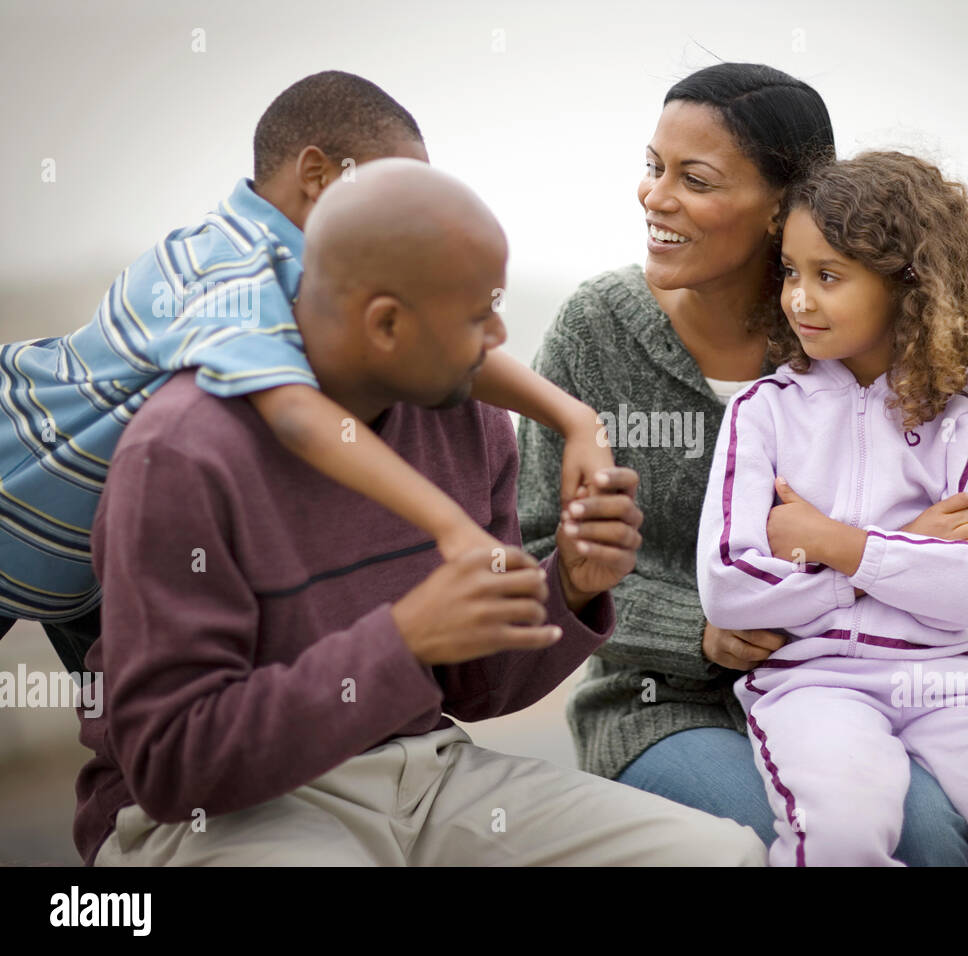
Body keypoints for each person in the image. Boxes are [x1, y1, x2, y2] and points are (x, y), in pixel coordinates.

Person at [76, 158, 766, 867]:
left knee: (723, 855)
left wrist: (569, 585)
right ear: (385, 325)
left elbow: (478, 689)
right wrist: (401, 641)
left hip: (427, 780)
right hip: (221, 818)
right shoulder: (185, 453)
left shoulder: (464, 419)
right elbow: (170, 767)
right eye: (477, 314)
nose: (499, 338)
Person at [518, 62, 968, 864]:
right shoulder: (594, 335)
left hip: (859, 680)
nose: (655, 196)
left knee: (939, 836)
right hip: (664, 707)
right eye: (653, 167)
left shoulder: (839, 329)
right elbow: (542, 558)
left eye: (694, 179)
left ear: (784, 208)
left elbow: (949, 507)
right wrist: (699, 630)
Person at [0, 70, 610, 675]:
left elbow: (446, 342)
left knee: (161, 727)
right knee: (154, 747)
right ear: (318, 174)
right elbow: (293, 412)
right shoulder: (225, 264)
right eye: (388, 188)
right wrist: (447, 523)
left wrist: (573, 419)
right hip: (15, 502)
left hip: (87, 562)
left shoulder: (303, 274)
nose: (408, 215)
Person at [697, 150, 968, 866]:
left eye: (829, 276)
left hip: (953, 683)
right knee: (844, 834)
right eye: (791, 271)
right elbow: (730, 590)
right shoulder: (762, 414)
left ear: (908, 285)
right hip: (813, 684)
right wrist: (909, 548)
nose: (799, 298)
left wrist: (831, 542)